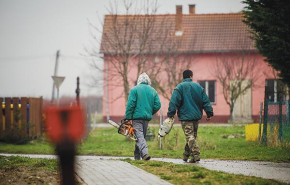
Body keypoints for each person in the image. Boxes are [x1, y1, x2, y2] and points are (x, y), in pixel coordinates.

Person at [167, 69, 213, 163]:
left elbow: (174, 101)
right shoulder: (199, 87)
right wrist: (209, 113)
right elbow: (206, 101)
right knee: (192, 137)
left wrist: (171, 114)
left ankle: (196, 155)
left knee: (190, 137)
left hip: (185, 117)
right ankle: (186, 156)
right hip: (196, 116)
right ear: (191, 76)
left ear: (183, 77)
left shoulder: (180, 87)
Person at [125, 72, 161, 160]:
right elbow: (158, 105)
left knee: (140, 137)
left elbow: (130, 105)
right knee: (140, 137)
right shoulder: (153, 91)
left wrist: (128, 118)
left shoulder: (134, 90)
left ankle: (144, 154)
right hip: (146, 118)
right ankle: (137, 157)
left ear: (139, 81)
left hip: (136, 118)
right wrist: (150, 112)